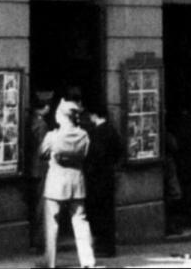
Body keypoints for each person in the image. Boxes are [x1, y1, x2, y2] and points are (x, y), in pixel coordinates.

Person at [40, 100, 96, 269]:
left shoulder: (52, 136)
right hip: (77, 182)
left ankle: (50, 262)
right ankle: (87, 261)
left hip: (55, 183)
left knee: (52, 225)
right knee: (81, 222)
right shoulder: (84, 135)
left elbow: (42, 153)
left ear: (60, 116)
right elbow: (86, 154)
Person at [84, 105, 121, 257]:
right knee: (108, 212)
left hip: (96, 178)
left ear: (95, 115)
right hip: (108, 176)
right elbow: (119, 151)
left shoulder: (95, 133)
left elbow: (92, 155)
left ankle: (101, 246)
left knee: (97, 212)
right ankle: (109, 246)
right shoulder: (112, 130)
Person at [26, 92, 53, 253]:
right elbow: (44, 149)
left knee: (33, 205)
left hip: (31, 168)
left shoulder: (30, 121)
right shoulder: (42, 125)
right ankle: (38, 242)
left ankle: (34, 242)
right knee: (40, 207)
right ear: (45, 107)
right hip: (41, 168)